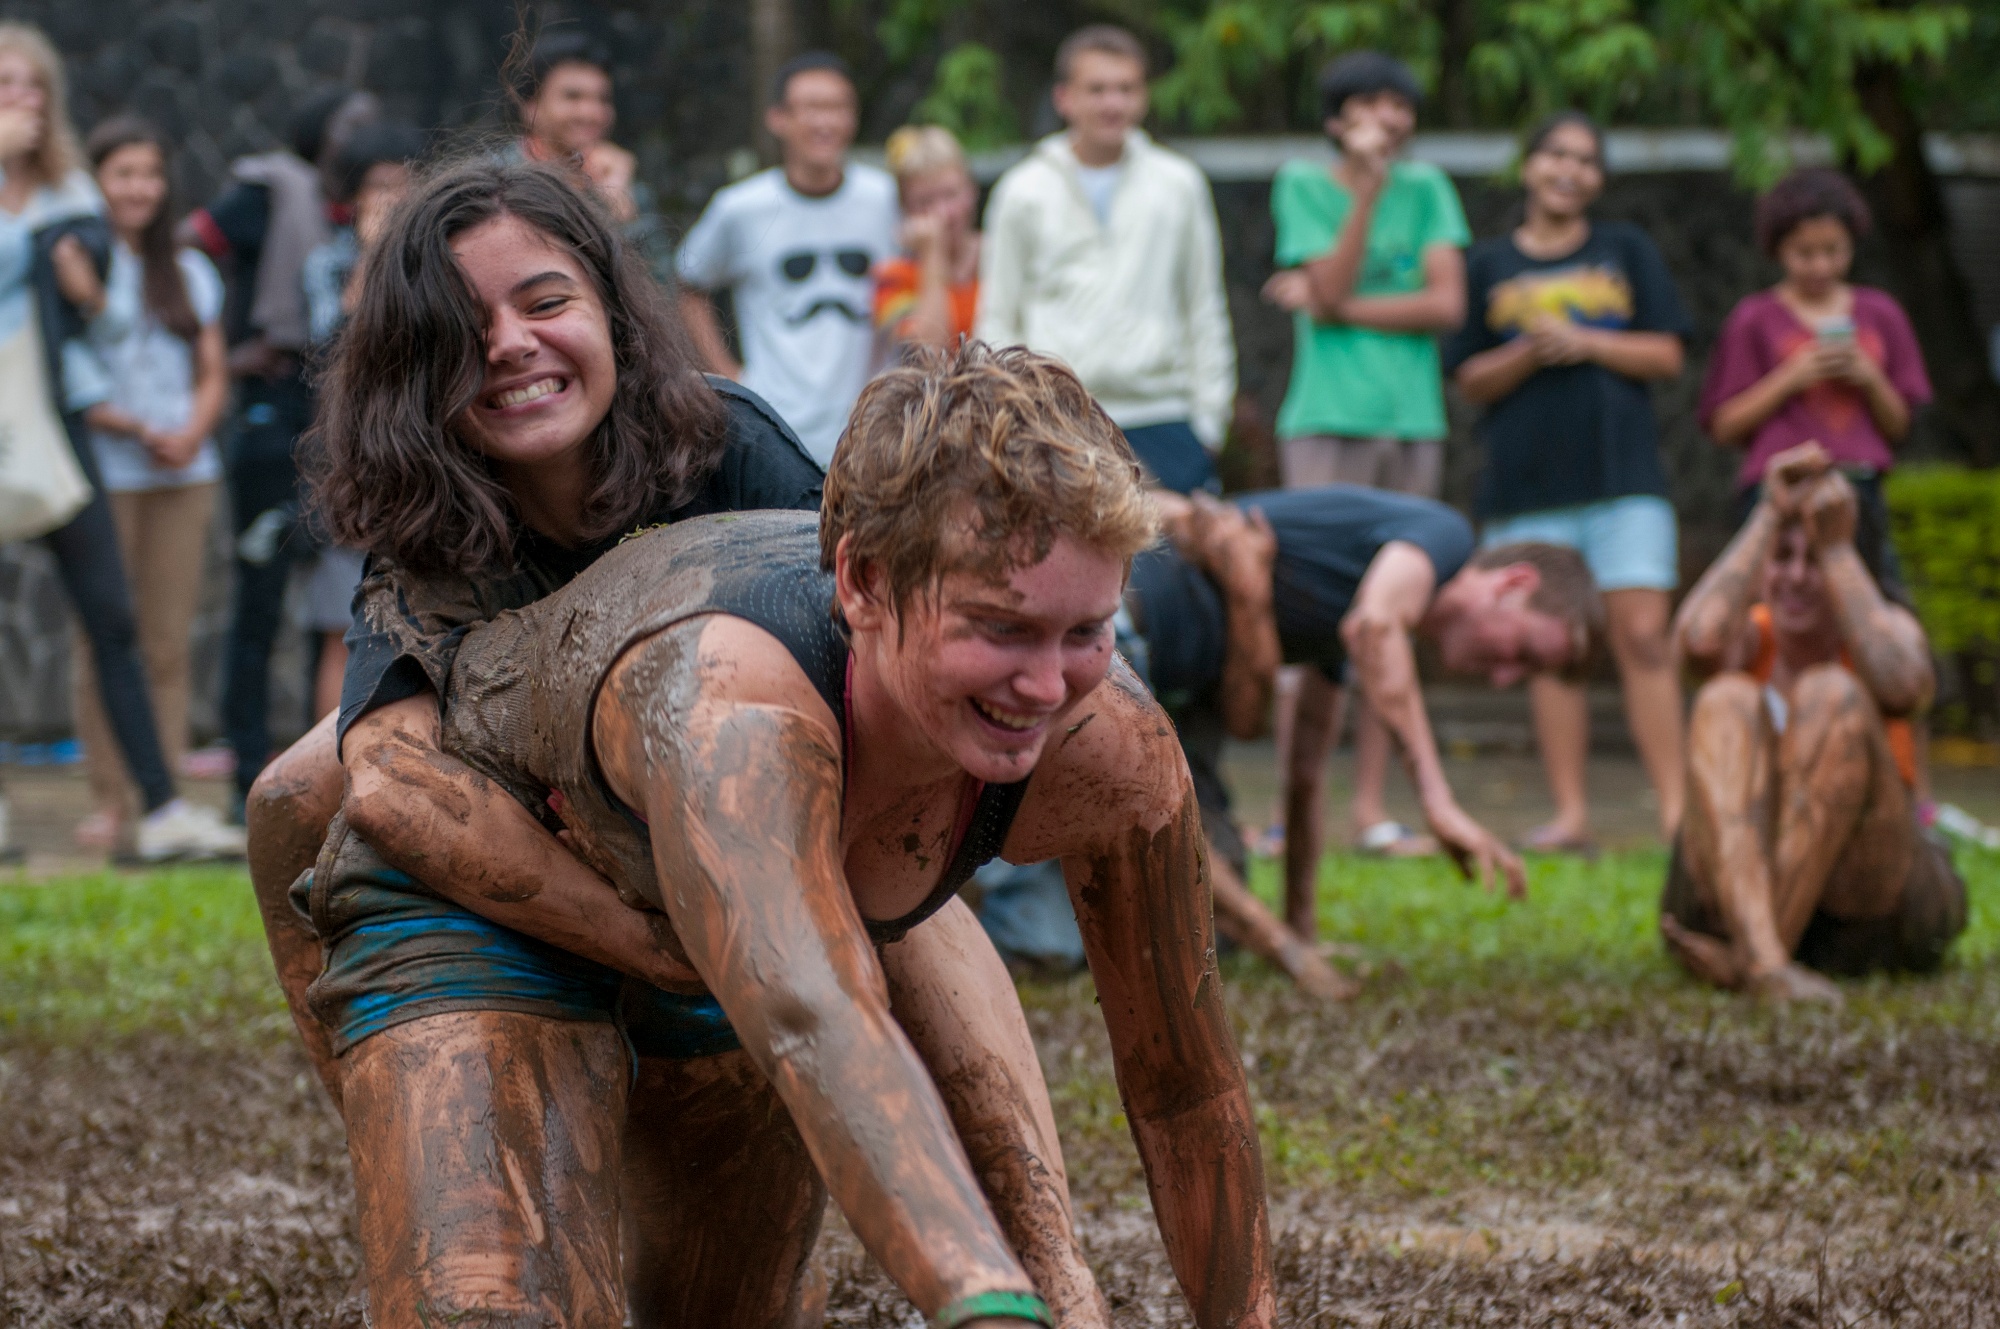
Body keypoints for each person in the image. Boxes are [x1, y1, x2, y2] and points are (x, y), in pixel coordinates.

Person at [245, 162, 1120, 1325]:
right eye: (462, 331)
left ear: (612, 307)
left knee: (901, 864)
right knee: (294, 792)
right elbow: (393, 788)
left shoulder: (728, 445)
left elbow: (883, 683)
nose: (507, 343)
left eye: (544, 302)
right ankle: (401, 1128)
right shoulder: (434, 511)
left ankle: (1052, 1265)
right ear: (416, 375)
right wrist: (647, 942)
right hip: (566, 846)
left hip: (768, 825)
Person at [309, 341, 1275, 1326]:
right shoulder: (734, 711)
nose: (1043, 686)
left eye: (1085, 631)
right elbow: (820, 1015)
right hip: (489, 903)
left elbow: (1184, 1088)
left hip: (714, 957)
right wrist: (994, 1305)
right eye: (998, 627)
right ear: (861, 584)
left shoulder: (1109, 740)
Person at [1138, 486, 1595, 947]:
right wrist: (1438, 802)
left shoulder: (1340, 609)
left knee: (1208, 930)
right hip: (1136, 605)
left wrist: (1302, 928)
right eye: (1522, 651)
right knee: (1153, 908)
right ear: (1513, 583)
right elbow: (1375, 627)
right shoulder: (1444, 537)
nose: (1503, 678)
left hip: (1177, 687)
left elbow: (1305, 773)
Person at [0, 24, 240, 862]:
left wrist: (90, 298)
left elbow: (101, 331)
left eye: (32, 87)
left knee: (114, 620)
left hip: (55, 430)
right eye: (4, 84)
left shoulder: (72, 200)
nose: (19, 101)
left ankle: (163, 807)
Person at [1443, 112, 1691, 851]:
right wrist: (1529, 352)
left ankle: (1679, 811)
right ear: (1528, 166)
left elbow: (1669, 355)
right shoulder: (1485, 264)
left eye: (1586, 160)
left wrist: (1585, 341)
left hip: (1625, 482)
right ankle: (1571, 813)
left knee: (1644, 637)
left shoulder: (1627, 250)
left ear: (1599, 178)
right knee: (1546, 645)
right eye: (1555, 153)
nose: (1568, 169)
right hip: (1525, 489)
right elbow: (1469, 378)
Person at [1261, 50, 1470, 859]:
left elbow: (1445, 303)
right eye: (1370, 105)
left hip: (1412, 422)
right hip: (1324, 417)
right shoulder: (1302, 182)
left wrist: (1335, 306)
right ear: (1338, 118)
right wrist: (1369, 192)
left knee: (1391, 619)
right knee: (1300, 616)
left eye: (1399, 106)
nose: (1388, 121)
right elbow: (1337, 281)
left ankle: (1374, 808)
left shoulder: (1434, 189)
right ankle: (1288, 809)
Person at [1663, 442, 1963, 1003]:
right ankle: (1767, 962)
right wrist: (1767, 514)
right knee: (1726, 697)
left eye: (1815, 560)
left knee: (1831, 694)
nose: (1798, 577)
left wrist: (1840, 550)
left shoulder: (1883, 628)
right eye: (1784, 557)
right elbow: (1697, 644)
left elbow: (1904, 687)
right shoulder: (1749, 637)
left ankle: (1751, 962)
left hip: (1867, 904)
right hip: (1730, 896)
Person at [185, 83, 378, 815]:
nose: (358, 133)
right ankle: (243, 774)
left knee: (331, 617)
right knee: (259, 605)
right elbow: (184, 250)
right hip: (273, 429)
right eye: (348, 123)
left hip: (333, 439)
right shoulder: (269, 193)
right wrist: (232, 350)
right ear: (318, 134)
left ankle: (315, 770)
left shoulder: (358, 230)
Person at [64, 118, 232, 855]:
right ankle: (109, 798)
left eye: (150, 174)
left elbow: (213, 369)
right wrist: (135, 430)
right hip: (104, 471)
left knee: (167, 641)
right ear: (95, 180)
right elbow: (59, 374)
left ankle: (164, 798)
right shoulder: (75, 263)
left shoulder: (190, 270)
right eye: (123, 172)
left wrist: (193, 431)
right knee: (102, 638)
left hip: (183, 474)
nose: (138, 187)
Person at [975, 24, 1235, 497]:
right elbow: (998, 314)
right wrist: (1008, 419)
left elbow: (1204, 304)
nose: (1112, 103)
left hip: (1164, 414)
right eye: (1096, 89)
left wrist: (1209, 423)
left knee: (1172, 567)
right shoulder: (1023, 190)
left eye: (1126, 89)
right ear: (1064, 97)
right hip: (1056, 417)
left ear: (1143, 96)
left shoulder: (1179, 184)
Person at [1699, 168, 1929, 594]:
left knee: (1870, 605)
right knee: (1778, 604)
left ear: (1852, 244)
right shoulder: (1754, 319)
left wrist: (1870, 378)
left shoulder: (1880, 314)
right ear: (1777, 249)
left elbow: (1901, 427)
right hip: (1779, 492)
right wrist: (1790, 377)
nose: (1821, 265)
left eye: (1834, 250)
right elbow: (1723, 424)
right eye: (1804, 253)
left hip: (1859, 488)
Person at [676, 51, 898, 464]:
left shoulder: (886, 198)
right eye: (812, 108)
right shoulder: (739, 208)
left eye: (838, 107)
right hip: (776, 433)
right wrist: (732, 381)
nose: (826, 122)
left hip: (876, 428)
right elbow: (689, 284)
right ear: (777, 118)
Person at [299, 119, 425, 724]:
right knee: (339, 622)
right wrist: (373, 254)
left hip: (421, 459)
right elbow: (332, 346)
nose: (393, 201)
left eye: (404, 187)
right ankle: (329, 768)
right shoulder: (327, 263)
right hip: (350, 462)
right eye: (380, 188)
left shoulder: (432, 261)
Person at [504, 28, 672, 285]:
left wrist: (619, 205)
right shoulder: (495, 179)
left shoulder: (626, 186)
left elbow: (660, 293)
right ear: (530, 107)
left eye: (603, 99)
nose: (592, 113)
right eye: (573, 97)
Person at [875, 124, 980, 350]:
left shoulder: (998, 259)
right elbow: (928, 355)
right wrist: (933, 254)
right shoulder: (892, 277)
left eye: (951, 194)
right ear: (905, 209)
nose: (943, 213)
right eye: (925, 202)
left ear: (971, 191)